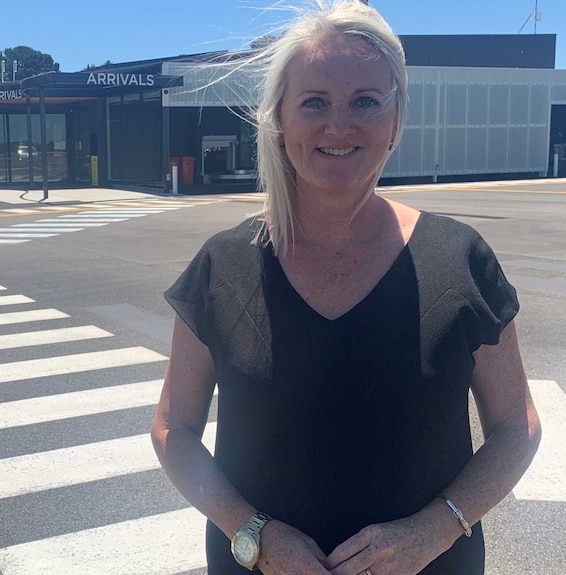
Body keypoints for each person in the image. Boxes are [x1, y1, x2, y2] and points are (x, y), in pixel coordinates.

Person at [150, 1, 541, 574]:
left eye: (365, 101)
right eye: (315, 102)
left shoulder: (459, 260)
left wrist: (434, 530)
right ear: (281, 118)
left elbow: (516, 427)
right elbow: (172, 430)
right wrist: (254, 535)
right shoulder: (224, 266)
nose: (339, 124)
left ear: (396, 118)